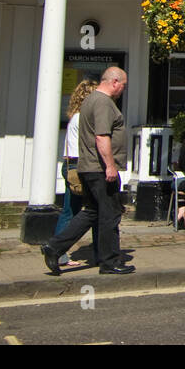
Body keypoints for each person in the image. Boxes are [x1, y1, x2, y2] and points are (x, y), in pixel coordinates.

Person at [43, 67, 134, 276]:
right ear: (114, 82)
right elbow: (102, 136)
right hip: (100, 169)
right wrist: (110, 166)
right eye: (123, 85)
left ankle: (54, 247)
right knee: (110, 215)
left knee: (92, 213)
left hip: (90, 167)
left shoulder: (90, 101)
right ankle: (109, 262)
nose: (123, 89)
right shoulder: (102, 102)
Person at [53, 79, 99, 265]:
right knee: (94, 210)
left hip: (71, 165)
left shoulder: (76, 117)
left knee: (69, 210)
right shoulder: (83, 118)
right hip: (81, 166)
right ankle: (99, 252)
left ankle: (58, 252)